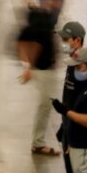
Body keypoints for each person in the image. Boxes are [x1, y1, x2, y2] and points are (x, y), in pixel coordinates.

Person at [54, 21, 87, 173]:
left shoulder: (85, 65)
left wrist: (73, 131)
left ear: (77, 40)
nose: (63, 43)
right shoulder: (72, 62)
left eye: (66, 40)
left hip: (79, 131)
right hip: (69, 126)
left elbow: (85, 103)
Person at [17, 8, 59, 156]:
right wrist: (29, 67)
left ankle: (38, 142)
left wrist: (27, 66)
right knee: (45, 106)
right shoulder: (43, 26)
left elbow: (21, 43)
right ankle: (38, 143)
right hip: (44, 70)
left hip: (45, 68)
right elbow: (35, 45)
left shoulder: (30, 25)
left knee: (45, 105)